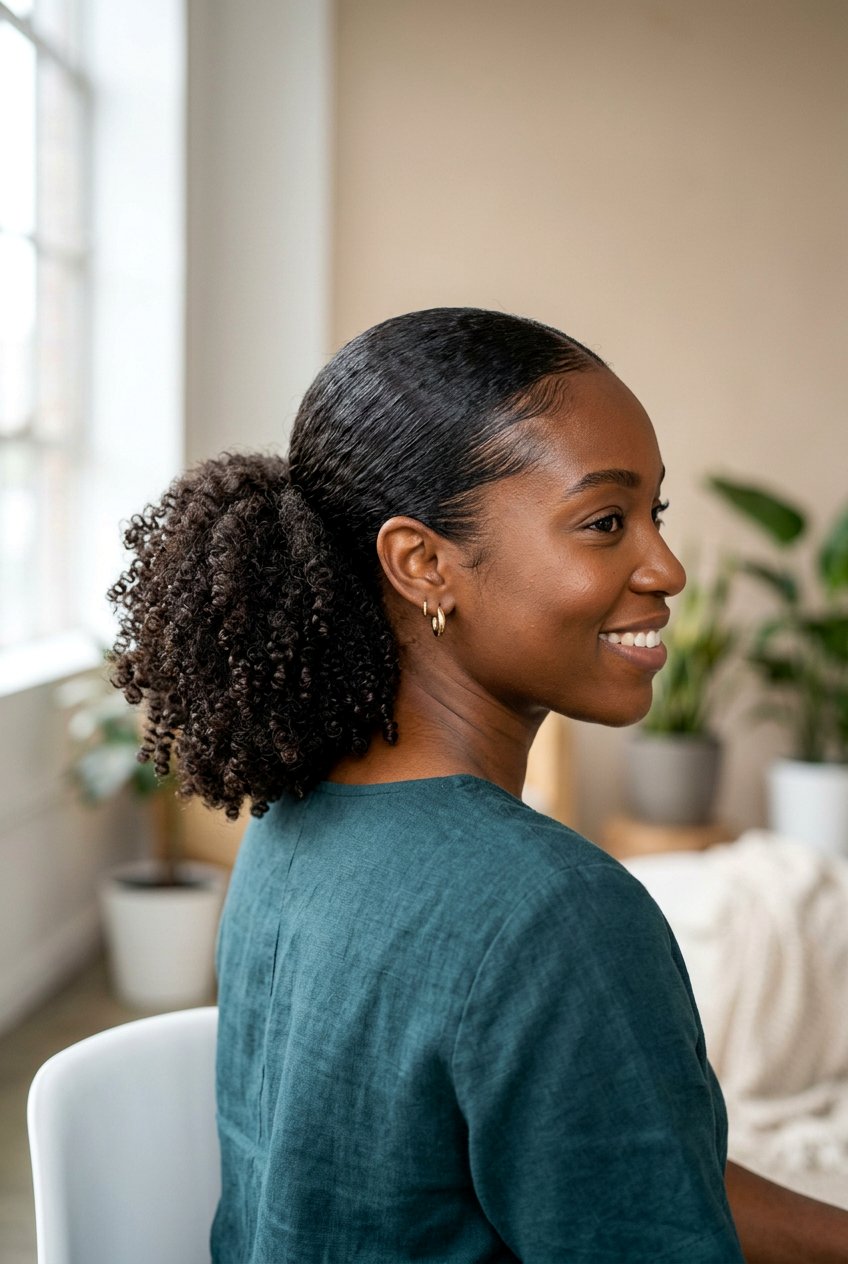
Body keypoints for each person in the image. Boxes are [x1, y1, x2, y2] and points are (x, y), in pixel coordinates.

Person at [108, 308, 848, 1262]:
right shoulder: (555, 915)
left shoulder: (296, 826)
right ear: (422, 564)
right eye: (604, 522)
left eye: (652, 516)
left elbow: (627, 1171)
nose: (664, 568)